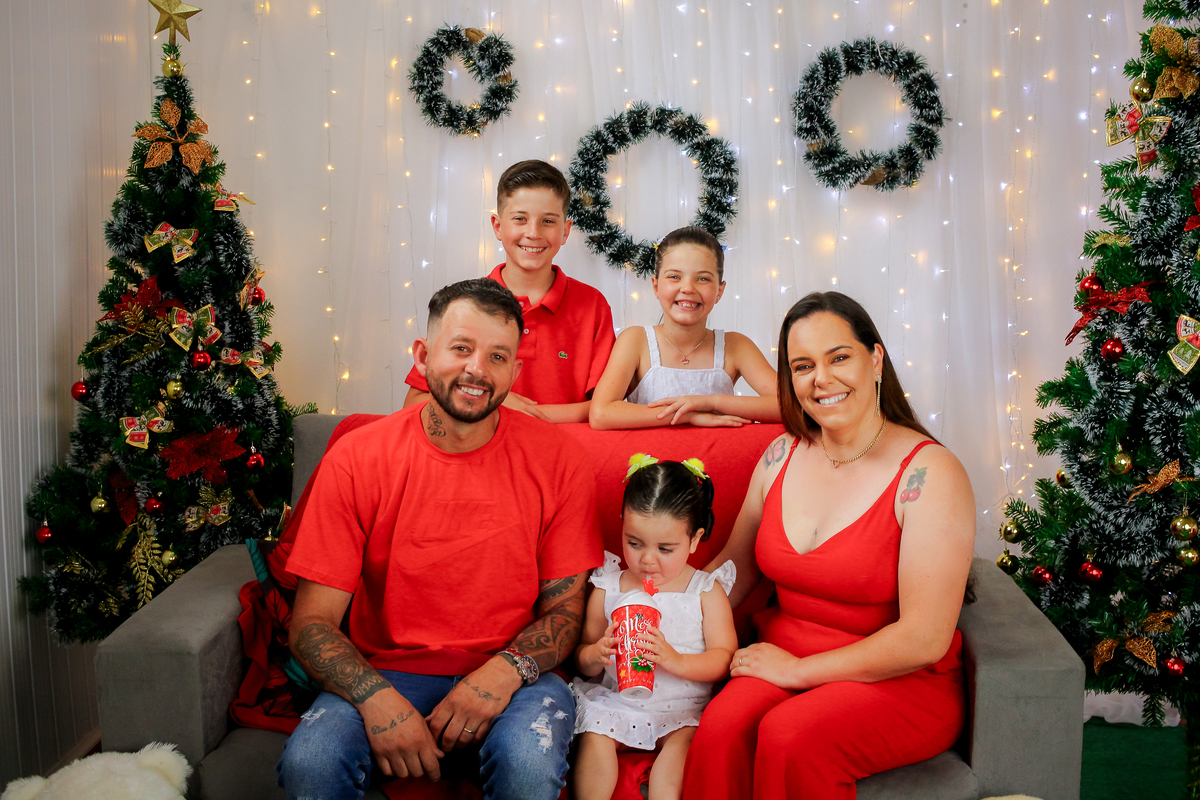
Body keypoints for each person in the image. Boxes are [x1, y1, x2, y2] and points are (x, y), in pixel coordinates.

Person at [278, 279, 604, 800]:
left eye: (498, 356)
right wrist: (376, 700)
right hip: (386, 670)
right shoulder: (358, 457)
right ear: (423, 356)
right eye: (461, 348)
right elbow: (311, 625)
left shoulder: (561, 459)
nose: (478, 369)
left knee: (528, 761)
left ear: (515, 373)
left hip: (515, 677)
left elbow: (565, 613)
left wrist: (503, 673)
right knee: (311, 761)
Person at [681, 291, 975, 800]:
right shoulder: (780, 454)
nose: (821, 379)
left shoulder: (931, 473)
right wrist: (658, 610)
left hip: (898, 678)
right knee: (721, 729)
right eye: (803, 366)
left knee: (790, 737)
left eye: (839, 358)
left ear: (875, 359)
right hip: (782, 654)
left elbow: (925, 638)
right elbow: (733, 570)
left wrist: (798, 672)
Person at [571, 456, 737, 800]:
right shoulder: (609, 587)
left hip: (684, 709)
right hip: (618, 701)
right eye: (634, 543)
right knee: (595, 734)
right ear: (622, 526)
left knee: (685, 743)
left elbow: (724, 658)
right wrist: (596, 653)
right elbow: (582, 658)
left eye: (665, 549)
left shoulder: (704, 590)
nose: (647, 560)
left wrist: (676, 660)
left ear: (694, 540)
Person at [402, 159, 616, 423]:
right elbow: (414, 403)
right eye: (520, 219)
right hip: (479, 446)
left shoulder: (593, 305)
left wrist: (517, 416)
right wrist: (497, 402)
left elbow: (604, 408)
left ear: (565, 231)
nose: (533, 233)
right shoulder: (464, 304)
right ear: (498, 226)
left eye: (548, 221)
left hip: (564, 444)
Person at [588, 226, 779, 429]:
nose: (688, 288)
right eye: (674, 277)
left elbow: (791, 406)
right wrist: (689, 415)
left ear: (719, 291)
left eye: (703, 279)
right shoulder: (635, 340)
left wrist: (711, 402)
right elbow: (601, 414)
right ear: (656, 286)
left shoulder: (736, 346)